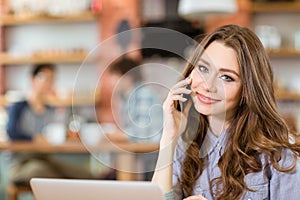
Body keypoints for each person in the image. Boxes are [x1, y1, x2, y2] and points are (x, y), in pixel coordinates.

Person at [152, 24, 300, 200]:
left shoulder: (280, 153)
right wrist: (168, 138)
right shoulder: (185, 142)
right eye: (203, 68)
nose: (208, 85)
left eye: (226, 77)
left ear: (248, 90)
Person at [6, 63, 94, 185]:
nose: (49, 83)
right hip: (20, 162)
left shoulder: (50, 110)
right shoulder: (18, 107)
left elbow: (55, 133)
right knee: (42, 172)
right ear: (32, 79)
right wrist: (34, 138)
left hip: (45, 159)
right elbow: (11, 131)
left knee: (83, 174)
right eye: (45, 78)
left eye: (52, 79)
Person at [106, 57, 163, 180]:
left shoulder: (143, 93)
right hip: (144, 155)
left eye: (114, 76)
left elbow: (141, 132)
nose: (111, 81)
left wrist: (115, 135)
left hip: (155, 156)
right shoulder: (126, 97)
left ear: (127, 77)